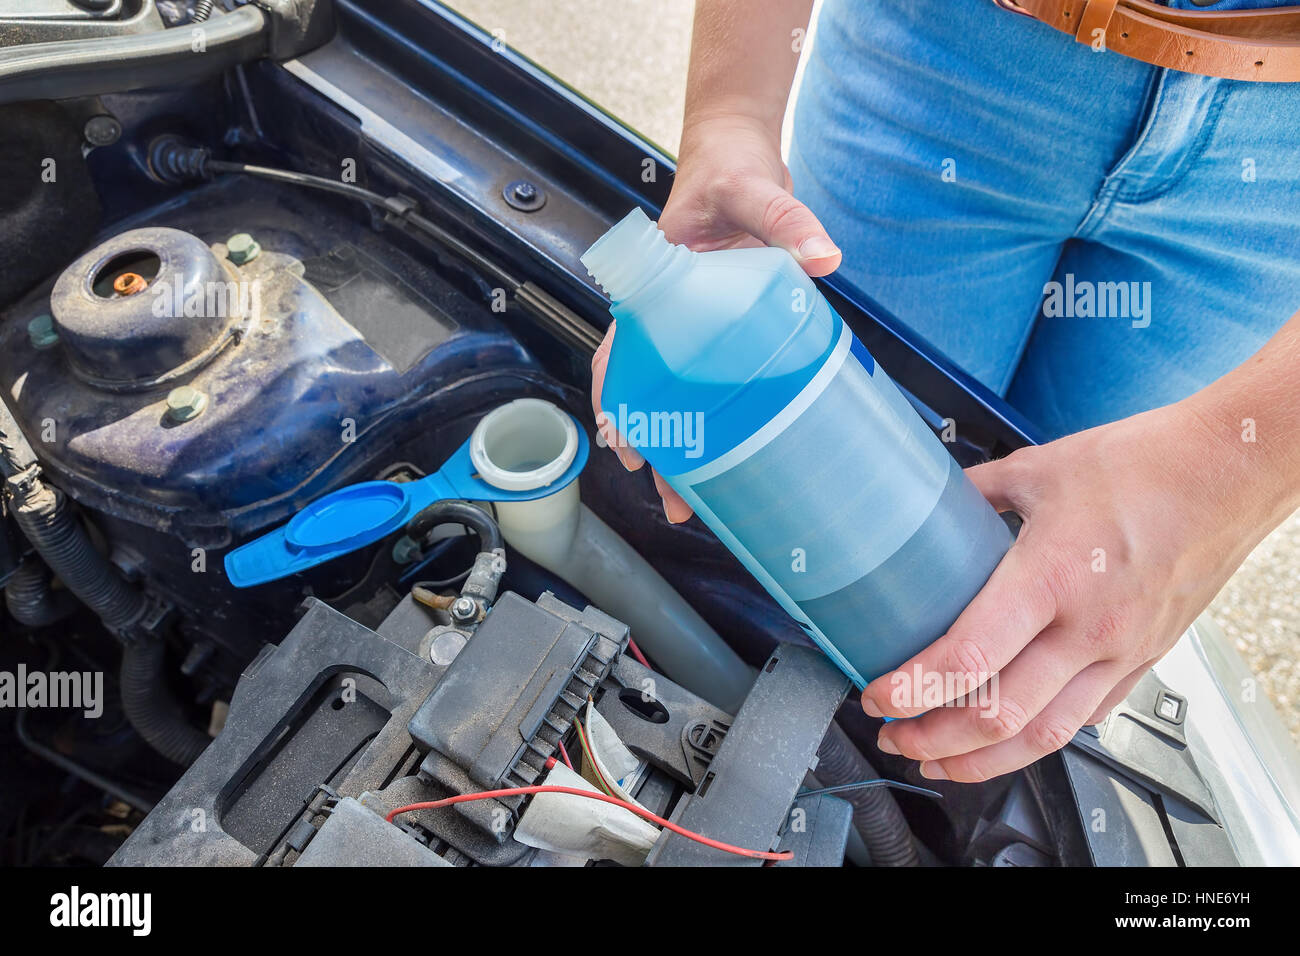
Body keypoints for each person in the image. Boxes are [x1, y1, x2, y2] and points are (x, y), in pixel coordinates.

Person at [590, 0, 1300, 783]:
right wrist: (731, 110)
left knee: (1057, 584)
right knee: (871, 541)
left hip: (1275, 173)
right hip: (941, 64)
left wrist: (1234, 472)